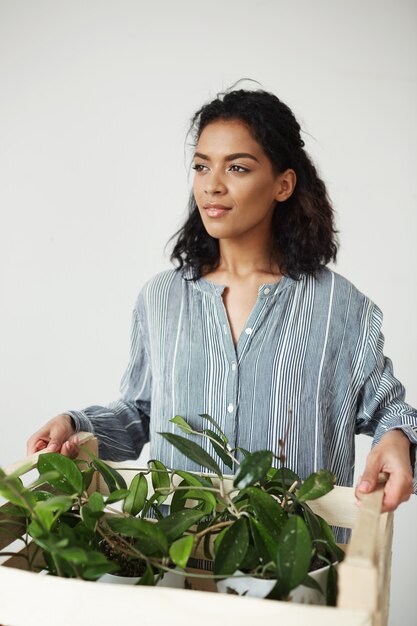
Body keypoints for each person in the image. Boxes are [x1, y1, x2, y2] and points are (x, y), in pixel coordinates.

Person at [27, 86, 417, 514]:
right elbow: (141, 413)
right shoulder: (161, 299)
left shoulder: (341, 307)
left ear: (283, 184)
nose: (212, 185)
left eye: (237, 168)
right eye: (201, 166)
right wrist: (75, 425)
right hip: (176, 558)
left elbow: (390, 414)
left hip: (298, 567)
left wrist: (397, 439)